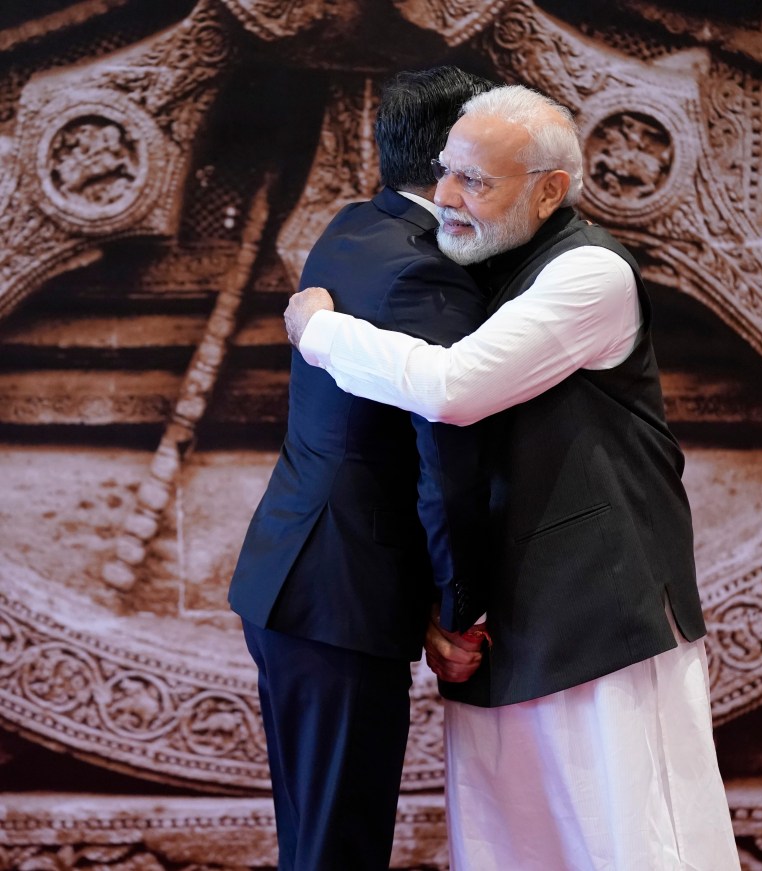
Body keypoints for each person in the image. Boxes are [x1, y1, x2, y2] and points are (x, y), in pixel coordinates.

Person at [284, 84, 741, 870]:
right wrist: (448, 603)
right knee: (512, 847)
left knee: (630, 842)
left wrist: (318, 329)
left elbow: (453, 389)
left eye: (476, 181)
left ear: (550, 190)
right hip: (512, 619)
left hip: (604, 614)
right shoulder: (491, 258)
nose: (448, 199)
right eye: (447, 173)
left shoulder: (590, 273)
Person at [227, 66, 494, 871]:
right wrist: (457, 605)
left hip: (297, 578)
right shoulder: (429, 271)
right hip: (340, 597)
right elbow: (440, 453)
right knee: (338, 849)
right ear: (455, 160)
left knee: (315, 843)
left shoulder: (353, 225)